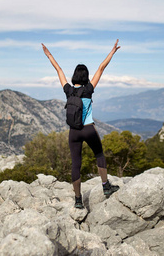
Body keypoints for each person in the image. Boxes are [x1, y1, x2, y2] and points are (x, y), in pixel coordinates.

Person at [42, 39, 121, 209]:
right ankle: (106, 186)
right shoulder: (89, 89)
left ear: (74, 77)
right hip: (89, 129)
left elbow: (59, 70)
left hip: (74, 132)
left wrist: (49, 55)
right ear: (85, 77)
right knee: (99, 154)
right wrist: (112, 52)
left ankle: (78, 199)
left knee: (75, 164)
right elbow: (101, 68)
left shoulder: (68, 90)